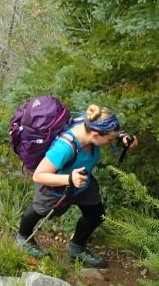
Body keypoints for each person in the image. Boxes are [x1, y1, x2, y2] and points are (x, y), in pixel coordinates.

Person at [15, 104, 137, 268]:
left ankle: (76, 247)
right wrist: (69, 180)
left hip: (82, 181)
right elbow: (38, 175)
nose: (110, 142)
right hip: (56, 187)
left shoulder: (90, 123)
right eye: (109, 140)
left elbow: (106, 130)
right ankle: (23, 236)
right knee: (39, 210)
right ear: (95, 135)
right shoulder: (64, 147)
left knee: (96, 214)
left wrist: (121, 136)